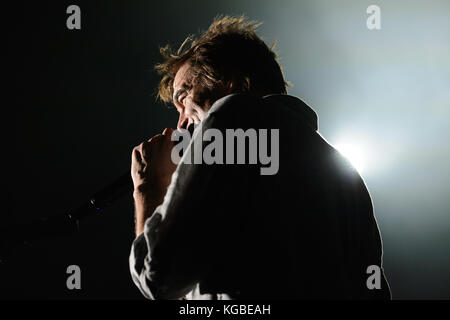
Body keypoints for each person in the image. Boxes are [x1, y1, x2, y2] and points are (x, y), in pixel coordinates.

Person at [129, 15, 391, 300]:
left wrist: (148, 186)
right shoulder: (347, 176)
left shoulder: (232, 116)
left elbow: (159, 278)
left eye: (185, 97)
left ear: (231, 81)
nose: (180, 124)